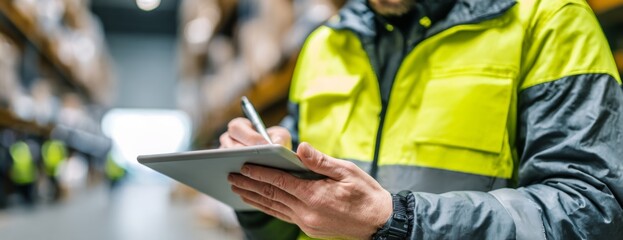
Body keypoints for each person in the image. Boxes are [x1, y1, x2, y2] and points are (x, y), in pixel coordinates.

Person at [220, 0, 623, 239]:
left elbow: (592, 210)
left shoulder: (550, 21)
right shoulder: (326, 44)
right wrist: (262, 189)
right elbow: (294, 228)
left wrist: (397, 221)